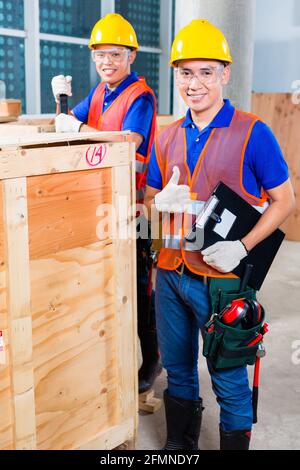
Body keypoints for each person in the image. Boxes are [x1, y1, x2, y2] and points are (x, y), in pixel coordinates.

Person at [144, 19, 295, 450]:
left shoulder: (253, 133)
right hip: (171, 276)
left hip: (222, 282)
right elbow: (153, 197)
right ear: (176, 76)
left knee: (228, 377)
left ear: (224, 74)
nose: (195, 84)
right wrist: (159, 203)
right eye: (186, 72)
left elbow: (285, 202)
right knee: (179, 370)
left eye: (206, 72)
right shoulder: (167, 134)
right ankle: (180, 448)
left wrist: (243, 246)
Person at [51, 13, 162, 394]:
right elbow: (68, 123)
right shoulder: (100, 92)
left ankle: (151, 361)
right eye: (100, 56)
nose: (107, 63)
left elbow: (128, 142)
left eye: (115, 55)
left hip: (133, 207)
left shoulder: (140, 97)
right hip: (100, 200)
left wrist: (77, 127)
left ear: (131, 55)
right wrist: (61, 104)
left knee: (139, 285)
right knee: (109, 284)